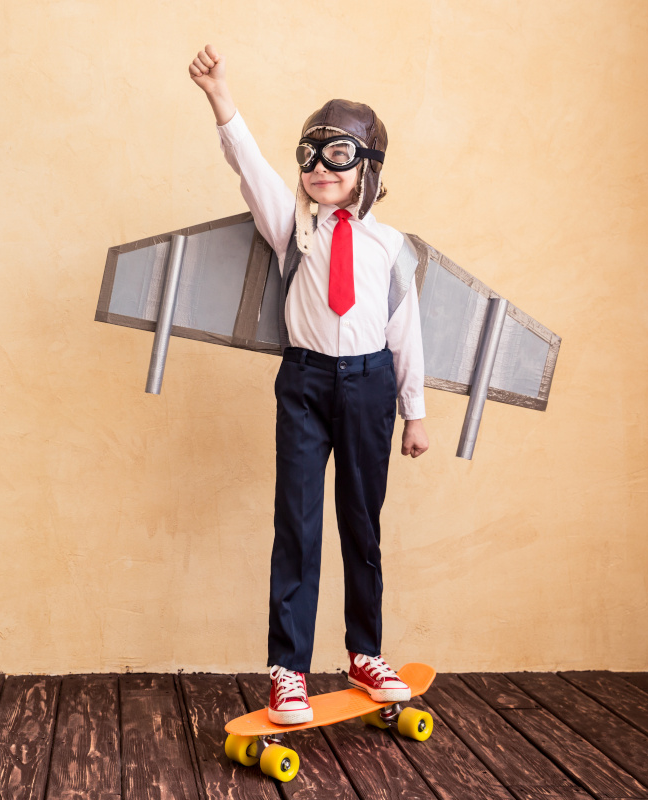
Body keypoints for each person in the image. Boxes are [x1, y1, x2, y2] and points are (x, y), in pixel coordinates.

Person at [188, 44, 429, 725]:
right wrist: (220, 95)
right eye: (311, 156)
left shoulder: (392, 248)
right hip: (304, 384)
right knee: (296, 525)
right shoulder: (292, 226)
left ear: (368, 169)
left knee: (362, 523)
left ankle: (364, 653)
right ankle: (288, 671)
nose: (321, 170)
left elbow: (405, 332)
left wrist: (414, 412)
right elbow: (249, 164)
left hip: (372, 387)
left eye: (339, 157)